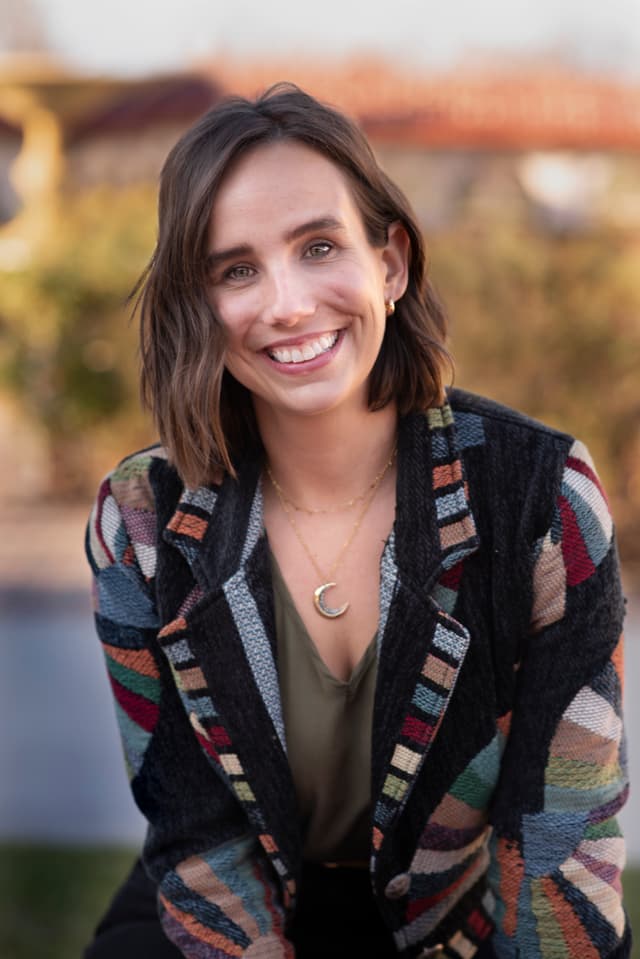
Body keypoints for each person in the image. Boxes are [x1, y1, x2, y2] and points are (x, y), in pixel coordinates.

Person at [84, 83, 631, 959]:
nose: (288, 304)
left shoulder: (544, 500)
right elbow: (197, 835)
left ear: (392, 263)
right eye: (236, 269)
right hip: (229, 906)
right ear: (200, 305)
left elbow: (561, 849)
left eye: (319, 246)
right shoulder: (143, 523)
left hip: (450, 920)